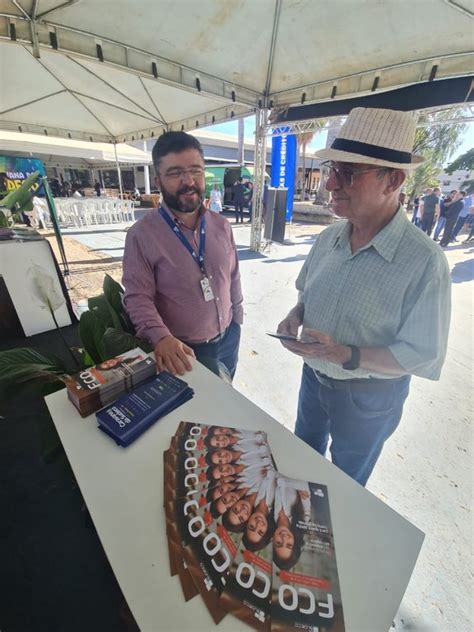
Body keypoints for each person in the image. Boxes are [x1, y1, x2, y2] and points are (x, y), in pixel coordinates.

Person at [277, 107, 451, 487]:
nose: (330, 185)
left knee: (344, 488)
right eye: (331, 170)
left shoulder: (425, 262)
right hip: (314, 378)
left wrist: (345, 354)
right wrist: (295, 315)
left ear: (394, 181)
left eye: (348, 174)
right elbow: (306, 295)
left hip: (368, 400)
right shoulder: (328, 238)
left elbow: (422, 355)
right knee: (302, 465)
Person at [122, 131, 243, 379]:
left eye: (196, 170)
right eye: (175, 173)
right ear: (158, 181)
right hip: (183, 352)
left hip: (229, 338)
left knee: (226, 406)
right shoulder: (141, 235)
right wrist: (160, 337)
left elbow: (233, 275)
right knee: (197, 415)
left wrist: (237, 320)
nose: (188, 181)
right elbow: (137, 298)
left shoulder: (221, 225)